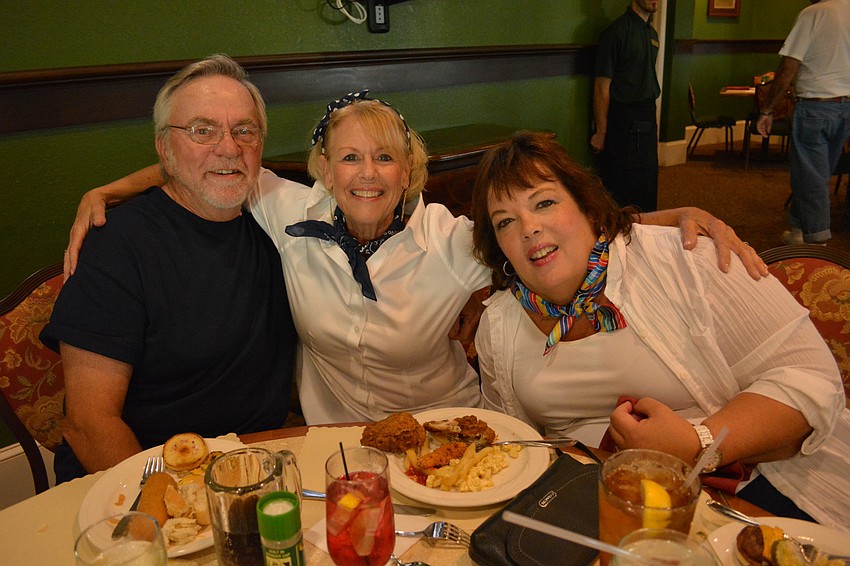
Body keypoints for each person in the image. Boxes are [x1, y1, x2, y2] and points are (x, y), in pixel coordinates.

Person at [66, 89, 765, 426]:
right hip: (332, 445)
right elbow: (211, 161)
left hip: (446, 431)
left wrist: (673, 218)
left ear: (408, 172)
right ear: (324, 171)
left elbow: (559, 236)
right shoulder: (287, 208)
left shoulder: (452, 240)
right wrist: (108, 187)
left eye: (384, 158)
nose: (365, 173)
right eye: (348, 158)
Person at [471, 131, 850, 528]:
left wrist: (696, 443)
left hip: (748, 493)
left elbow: (811, 378)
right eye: (505, 222)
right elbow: (511, 448)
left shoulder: (689, 259)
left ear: (587, 207)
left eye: (544, 202)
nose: (528, 227)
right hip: (590, 509)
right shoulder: (499, 325)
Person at [40, 55, 297, 482]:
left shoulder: (279, 220)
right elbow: (88, 425)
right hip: (134, 480)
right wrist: (174, 505)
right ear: (163, 146)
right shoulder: (118, 245)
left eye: (244, 131)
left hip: (256, 468)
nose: (229, 147)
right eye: (202, 130)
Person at [756, 0, 850, 245]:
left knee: (812, 177)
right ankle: (798, 226)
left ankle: (817, 242)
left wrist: (767, 109)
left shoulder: (813, 13)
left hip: (816, 107)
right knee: (818, 173)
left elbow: (788, 67)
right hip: (846, 108)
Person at [590, 0, 661, 212]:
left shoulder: (652, 34)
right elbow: (602, 87)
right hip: (624, 120)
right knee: (625, 187)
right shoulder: (616, 33)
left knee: (648, 181)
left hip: (648, 114)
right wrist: (601, 132)